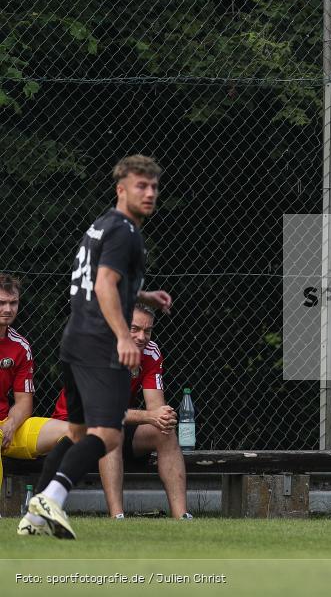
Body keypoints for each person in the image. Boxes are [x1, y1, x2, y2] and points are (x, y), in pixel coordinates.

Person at [21, 155, 173, 540]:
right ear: (121, 189)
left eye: (154, 186)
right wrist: (123, 335)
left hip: (75, 338)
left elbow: (101, 282)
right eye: (141, 185)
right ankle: (50, 500)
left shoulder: (102, 226)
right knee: (108, 435)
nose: (150, 193)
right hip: (100, 345)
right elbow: (105, 285)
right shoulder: (125, 231)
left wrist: (143, 295)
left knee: (78, 433)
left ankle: (35, 514)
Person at [51, 303, 190, 521]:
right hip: (71, 429)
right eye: (134, 329)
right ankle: (118, 516)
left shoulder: (151, 352)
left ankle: (182, 516)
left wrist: (163, 416)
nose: (142, 337)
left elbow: (156, 409)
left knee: (164, 431)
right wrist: (149, 416)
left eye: (148, 330)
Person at [0, 274, 70, 537]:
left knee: (74, 432)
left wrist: (10, 426)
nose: (8, 309)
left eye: (13, 302)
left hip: (7, 427)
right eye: (1, 302)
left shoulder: (21, 346)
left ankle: (45, 503)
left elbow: (23, 403)